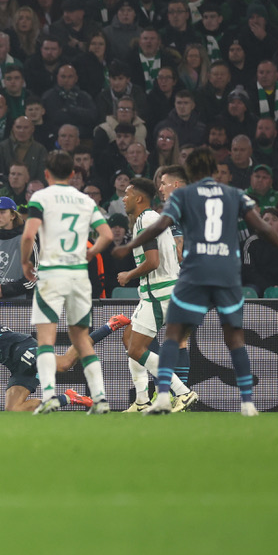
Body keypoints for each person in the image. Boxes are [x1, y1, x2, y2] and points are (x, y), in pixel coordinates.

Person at [116, 149, 278, 416]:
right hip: (224, 273)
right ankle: (246, 402)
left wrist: (129, 253)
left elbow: (168, 244)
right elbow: (260, 226)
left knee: (164, 342)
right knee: (231, 338)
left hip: (182, 280)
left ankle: (177, 394)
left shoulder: (180, 200)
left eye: (164, 183)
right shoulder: (233, 194)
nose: (162, 188)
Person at [21, 150, 114, 415]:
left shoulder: (41, 197)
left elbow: (29, 235)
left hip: (52, 274)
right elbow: (106, 234)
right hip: (78, 276)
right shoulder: (85, 200)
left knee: (46, 339)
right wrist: (92, 252)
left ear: (47, 174)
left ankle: (49, 396)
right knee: (81, 338)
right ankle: (100, 398)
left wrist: (26, 262)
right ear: (73, 175)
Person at [0, 282, 116, 412]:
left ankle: (109, 325)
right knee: (14, 409)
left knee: (65, 363)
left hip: (21, 350)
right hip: (16, 362)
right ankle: (69, 397)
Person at [115, 177, 200, 413]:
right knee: (129, 339)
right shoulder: (150, 219)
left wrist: (128, 275)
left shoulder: (147, 221)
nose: (124, 198)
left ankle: (182, 392)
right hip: (163, 291)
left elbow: (153, 262)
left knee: (135, 349)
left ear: (139, 198)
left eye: (128, 194)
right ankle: (142, 400)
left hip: (159, 294)